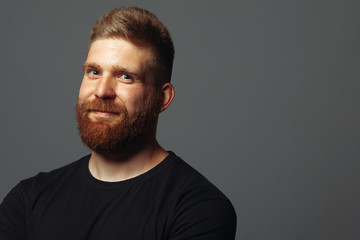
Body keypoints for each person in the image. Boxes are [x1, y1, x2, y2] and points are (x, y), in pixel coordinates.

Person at [0, 7, 236, 240]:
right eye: (93, 72)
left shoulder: (198, 209)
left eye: (125, 76)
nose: (102, 91)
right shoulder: (27, 200)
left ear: (162, 98)